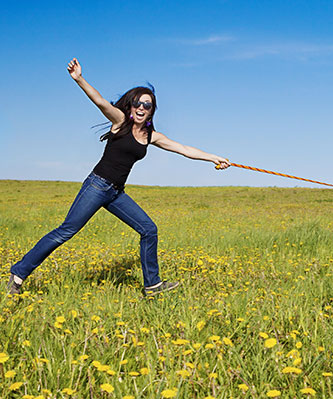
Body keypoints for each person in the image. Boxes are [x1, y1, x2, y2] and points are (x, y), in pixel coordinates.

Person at [7, 58, 231, 297]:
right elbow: (100, 101)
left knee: (149, 229)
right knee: (66, 231)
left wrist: (213, 157)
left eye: (148, 104)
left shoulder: (150, 136)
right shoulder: (120, 121)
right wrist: (80, 79)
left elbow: (184, 149)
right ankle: (18, 274)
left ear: (152, 110)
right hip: (96, 186)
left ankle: (152, 285)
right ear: (131, 105)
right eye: (138, 102)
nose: (142, 107)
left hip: (116, 193)